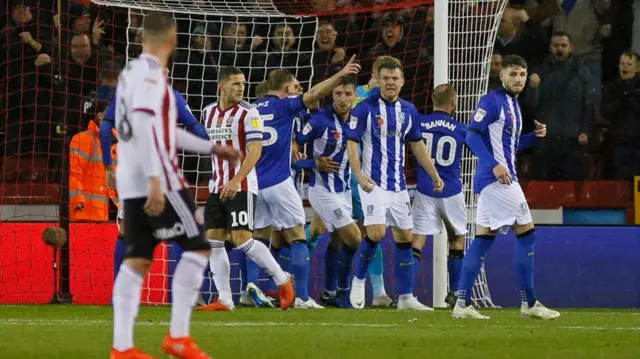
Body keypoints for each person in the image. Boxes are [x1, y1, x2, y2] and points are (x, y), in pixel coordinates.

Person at [110, 12, 239, 359]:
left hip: (130, 179)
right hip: (160, 180)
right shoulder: (152, 74)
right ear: (173, 38)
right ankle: (178, 336)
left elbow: (162, 129)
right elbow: (143, 123)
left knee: (136, 260)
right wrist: (155, 180)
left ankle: (122, 347)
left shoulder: (129, 73)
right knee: (198, 247)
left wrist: (211, 147)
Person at [454, 54, 559, 320]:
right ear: (501, 75)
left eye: (522, 74)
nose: (518, 79)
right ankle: (529, 303)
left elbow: (510, 147)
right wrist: (493, 165)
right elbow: (471, 135)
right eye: (513, 74)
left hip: (494, 179)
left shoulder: (513, 105)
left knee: (482, 239)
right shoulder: (492, 101)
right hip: (498, 180)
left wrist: (533, 137)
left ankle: (462, 303)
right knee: (527, 234)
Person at [249, 57, 360, 309]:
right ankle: (300, 297)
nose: (299, 90)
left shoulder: (250, 110)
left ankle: (253, 288)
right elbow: (312, 95)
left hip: (255, 183)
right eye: (296, 86)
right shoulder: (286, 108)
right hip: (281, 180)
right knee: (298, 238)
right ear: (287, 89)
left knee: (262, 240)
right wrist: (341, 73)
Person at [346, 60, 443, 311]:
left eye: (395, 78)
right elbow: (352, 144)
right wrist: (358, 175)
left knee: (405, 238)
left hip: (398, 185)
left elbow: (417, 145)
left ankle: (406, 298)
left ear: (402, 81)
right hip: (372, 183)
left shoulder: (409, 110)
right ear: (377, 79)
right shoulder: (363, 109)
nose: (390, 82)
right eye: (385, 78)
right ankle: (358, 281)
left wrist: (433, 174)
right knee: (376, 233)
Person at [196, 66, 294, 312]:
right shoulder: (207, 112)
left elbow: (255, 151)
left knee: (242, 240)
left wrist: (235, 179)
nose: (241, 88)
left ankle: (282, 279)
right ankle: (225, 300)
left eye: (243, 83)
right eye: (235, 84)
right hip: (217, 186)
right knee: (215, 242)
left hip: (241, 185)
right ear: (222, 86)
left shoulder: (249, 113)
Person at [297, 76, 362, 308]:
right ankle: (343, 294)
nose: (343, 99)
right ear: (331, 95)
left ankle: (329, 292)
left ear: (355, 96)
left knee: (334, 240)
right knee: (354, 239)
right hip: (321, 189)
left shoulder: (358, 120)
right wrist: (313, 163)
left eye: (347, 94)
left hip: (343, 190)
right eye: (338, 94)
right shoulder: (320, 121)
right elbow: (289, 151)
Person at [410, 84, 467, 308]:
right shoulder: (461, 128)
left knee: (417, 242)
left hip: (425, 189)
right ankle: (455, 293)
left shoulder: (420, 123)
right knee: (457, 239)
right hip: (451, 191)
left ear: (432, 100)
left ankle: (406, 293)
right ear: (453, 103)